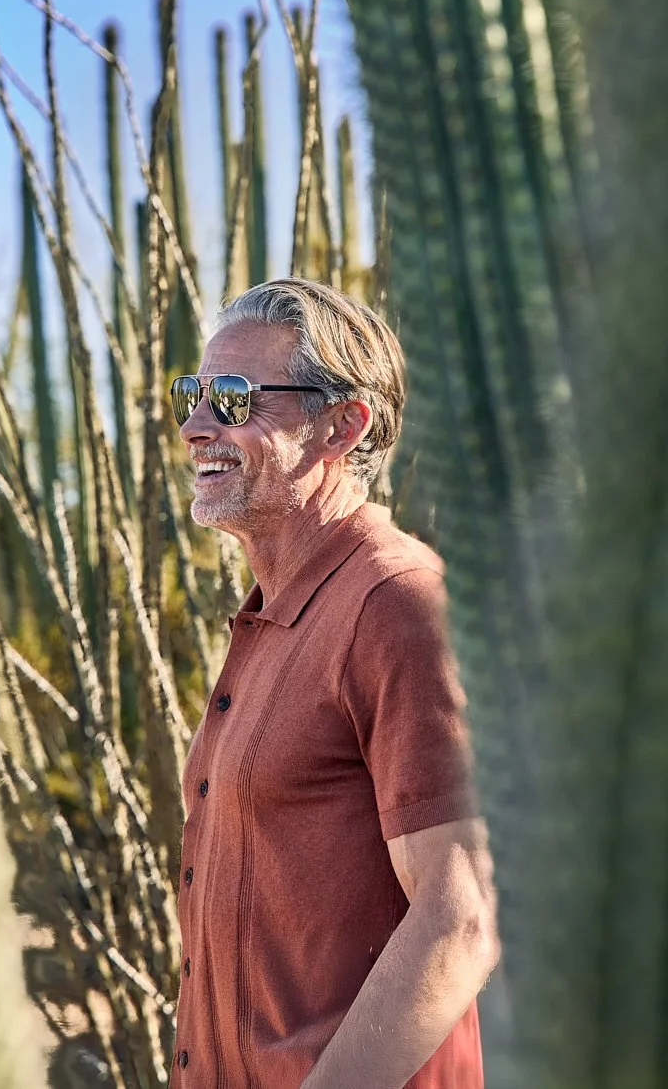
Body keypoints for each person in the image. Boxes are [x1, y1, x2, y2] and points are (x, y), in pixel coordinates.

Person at [167, 278, 498, 1088]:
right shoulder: (273, 610)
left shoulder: (394, 601)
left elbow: (461, 913)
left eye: (235, 399)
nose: (195, 426)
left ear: (341, 425)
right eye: (193, 393)